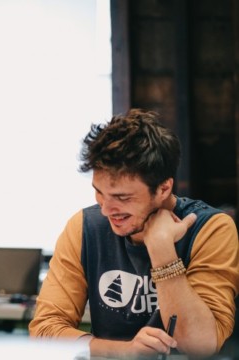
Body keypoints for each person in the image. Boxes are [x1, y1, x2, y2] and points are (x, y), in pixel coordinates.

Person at [29, 109, 239, 358]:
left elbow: (200, 345)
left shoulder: (212, 228)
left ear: (163, 188)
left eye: (122, 198)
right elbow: (44, 330)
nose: (106, 210)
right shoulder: (85, 227)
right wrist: (124, 351)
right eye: (99, 192)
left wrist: (161, 249)